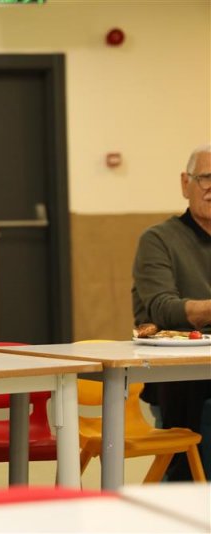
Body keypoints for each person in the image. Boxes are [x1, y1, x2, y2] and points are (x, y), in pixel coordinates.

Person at [132, 144, 211, 481]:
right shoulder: (159, 240)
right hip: (181, 380)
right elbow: (162, 309)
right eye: (206, 178)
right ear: (185, 183)